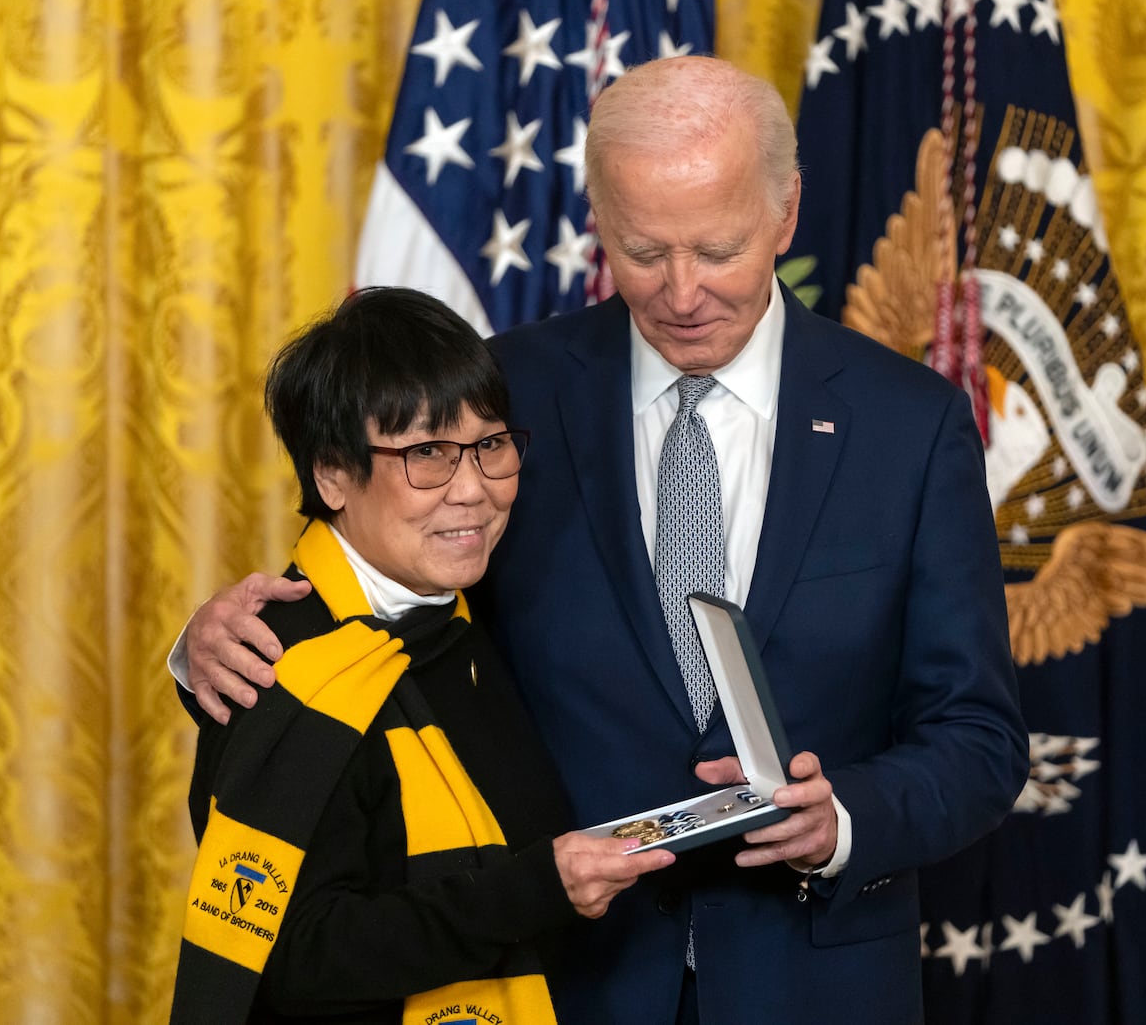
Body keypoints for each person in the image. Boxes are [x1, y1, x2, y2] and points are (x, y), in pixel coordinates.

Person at [176, 57, 1027, 1024]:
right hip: (559, 979)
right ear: (598, 223)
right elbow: (391, 606)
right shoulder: (504, 399)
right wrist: (208, 649)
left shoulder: (907, 426)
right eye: (642, 251)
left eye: (716, 249)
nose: (680, 291)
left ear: (785, 214)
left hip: (818, 982)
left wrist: (842, 820)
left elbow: (981, 737)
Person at [170, 287, 672, 1024]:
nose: (472, 490)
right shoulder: (284, 669)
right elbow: (295, 957)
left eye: (490, 444)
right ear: (332, 473)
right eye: (427, 453)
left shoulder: (461, 615)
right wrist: (535, 890)